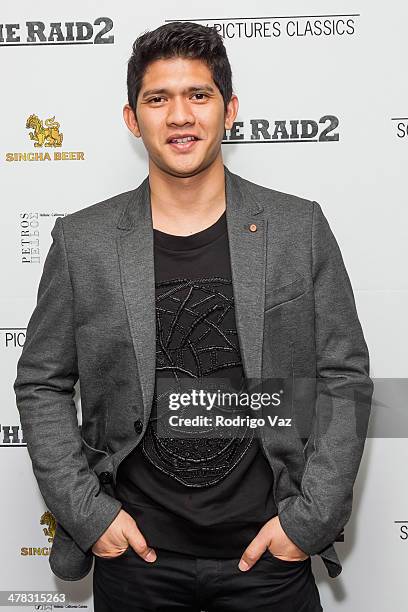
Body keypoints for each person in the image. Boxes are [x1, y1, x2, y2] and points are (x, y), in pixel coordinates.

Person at [14, 21, 373, 612]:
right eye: (158, 99)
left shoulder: (298, 229)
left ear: (229, 110)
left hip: (268, 556)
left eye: (198, 95)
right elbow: (41, 383)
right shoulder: (85, 242)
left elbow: (344, 377)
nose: (180, 116)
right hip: (137, 563)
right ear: (133, 119)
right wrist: (88, 514)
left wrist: (307, 523)